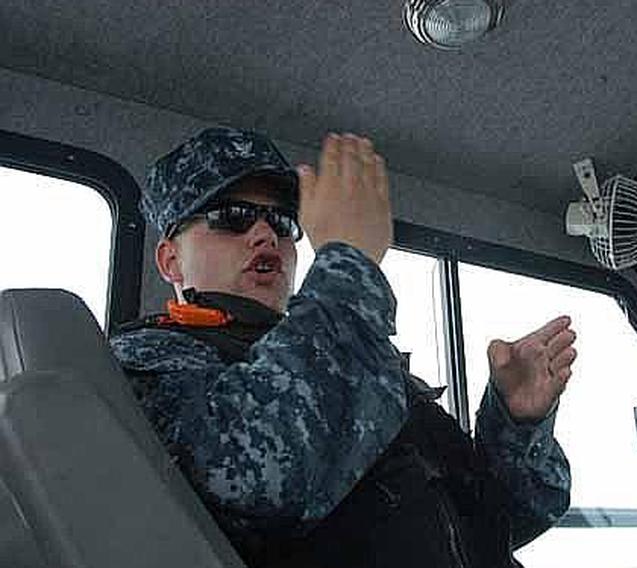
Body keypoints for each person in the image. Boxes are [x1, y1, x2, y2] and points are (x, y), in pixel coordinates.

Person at [110, 127, 578, 568]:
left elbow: (503, 522)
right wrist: (348, 264)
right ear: (171, 259)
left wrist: (517, 424)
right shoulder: (147, 362)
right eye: (231, 217)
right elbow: (258, 485)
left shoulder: (347, 361)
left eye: (281, 220)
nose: (264, 234)